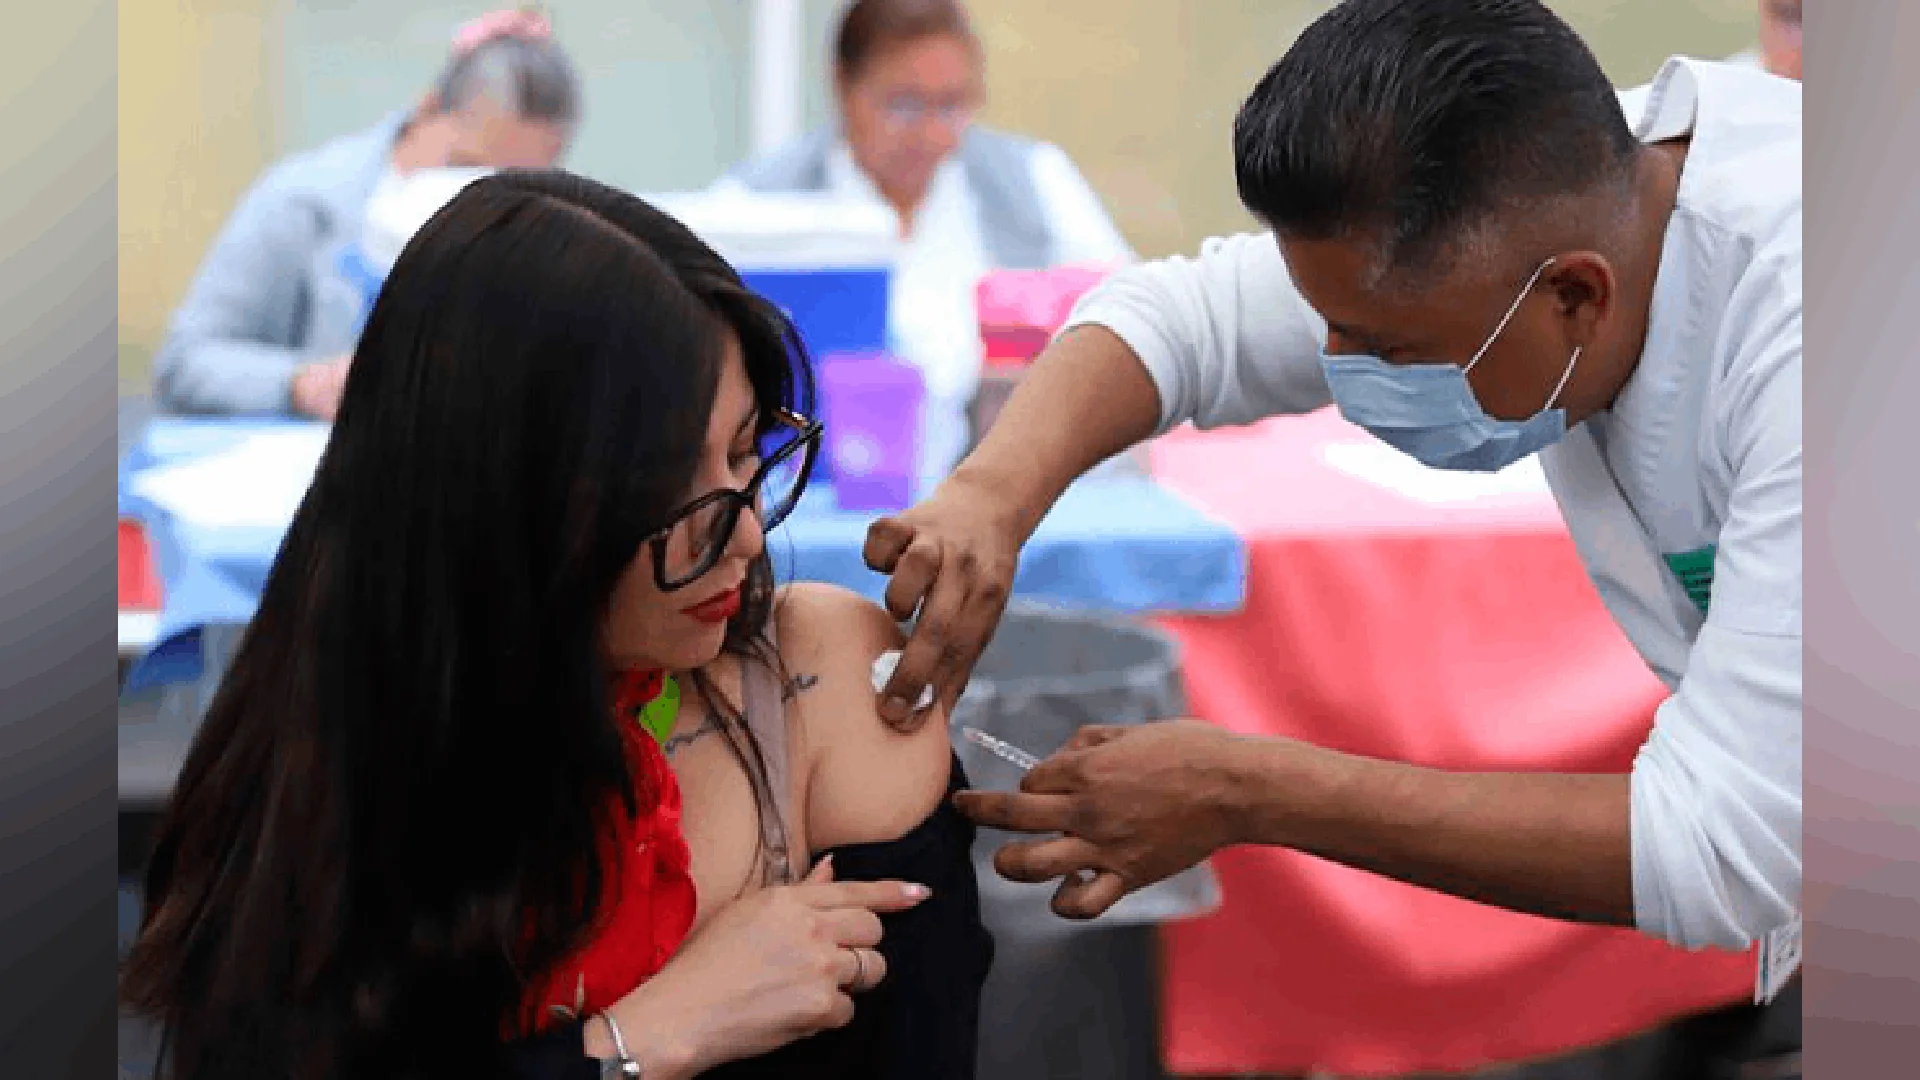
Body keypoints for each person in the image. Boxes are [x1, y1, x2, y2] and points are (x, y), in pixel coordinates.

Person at [869, 0, 1800, 1033]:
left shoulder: (1820, 338)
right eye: (1332, 333)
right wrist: (988, 498)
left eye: (1391, 351)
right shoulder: (1549, 188)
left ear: (1577, 298)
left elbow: (1722, 843)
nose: (1350, 377)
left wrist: (1248, 787)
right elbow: (1185, 321)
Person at [120, 170, 991, 1080]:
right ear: (493, 499)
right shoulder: (336, 763)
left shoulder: (817, 684)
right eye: (661, 484)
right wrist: (642, 1040)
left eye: (744, 453)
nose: (736, 534)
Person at [720, 0, 1133, 484]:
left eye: (953, 105)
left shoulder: (1033, 183)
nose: (935, 133)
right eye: (906, 104)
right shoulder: (754, 205)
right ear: (843, 87)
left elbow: (1130, 322)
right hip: (817, 496)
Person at [151, 8, 580, 421]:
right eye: (464, 166)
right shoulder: (302, 201)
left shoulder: (547, 230)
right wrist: (303, 384)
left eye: (515, 183)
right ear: (429, 110)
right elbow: (184, 363)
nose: (478, 195)